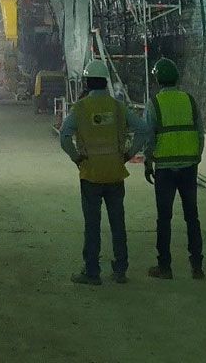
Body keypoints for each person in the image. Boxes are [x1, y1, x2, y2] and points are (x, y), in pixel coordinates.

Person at [59, 61, 145, 285]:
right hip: (115, 174)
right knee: (118, 223)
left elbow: (64, 136)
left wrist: (76, 157)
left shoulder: (80, 109)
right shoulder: (117, 107)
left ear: (87, 82)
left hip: (91, 175)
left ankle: (92, 272)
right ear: (106, 81)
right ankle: (120, 270)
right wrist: (128, 154)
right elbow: (143, 130)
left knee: (92, 225)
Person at [140, 58, 206, 279]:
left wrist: (148, 162)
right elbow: (200, 133)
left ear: (158, 79)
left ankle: (165, 267)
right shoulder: (190, 100)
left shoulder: (154, 103)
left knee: (164, 218)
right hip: (188, 167)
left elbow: (149, 136)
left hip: (165, 169)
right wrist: (196, 157)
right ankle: (197, 266)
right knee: (192, 217)